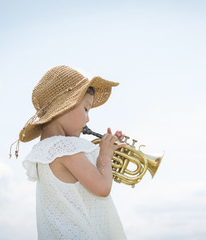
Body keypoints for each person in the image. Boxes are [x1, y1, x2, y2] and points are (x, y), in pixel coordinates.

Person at [16, 65, 127, 239]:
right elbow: (102, 187)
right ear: (65, 107)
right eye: (86, 109)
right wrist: (105, 155)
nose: (88, 118)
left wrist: (108, 150)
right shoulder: (66, 148)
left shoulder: (47, 150)